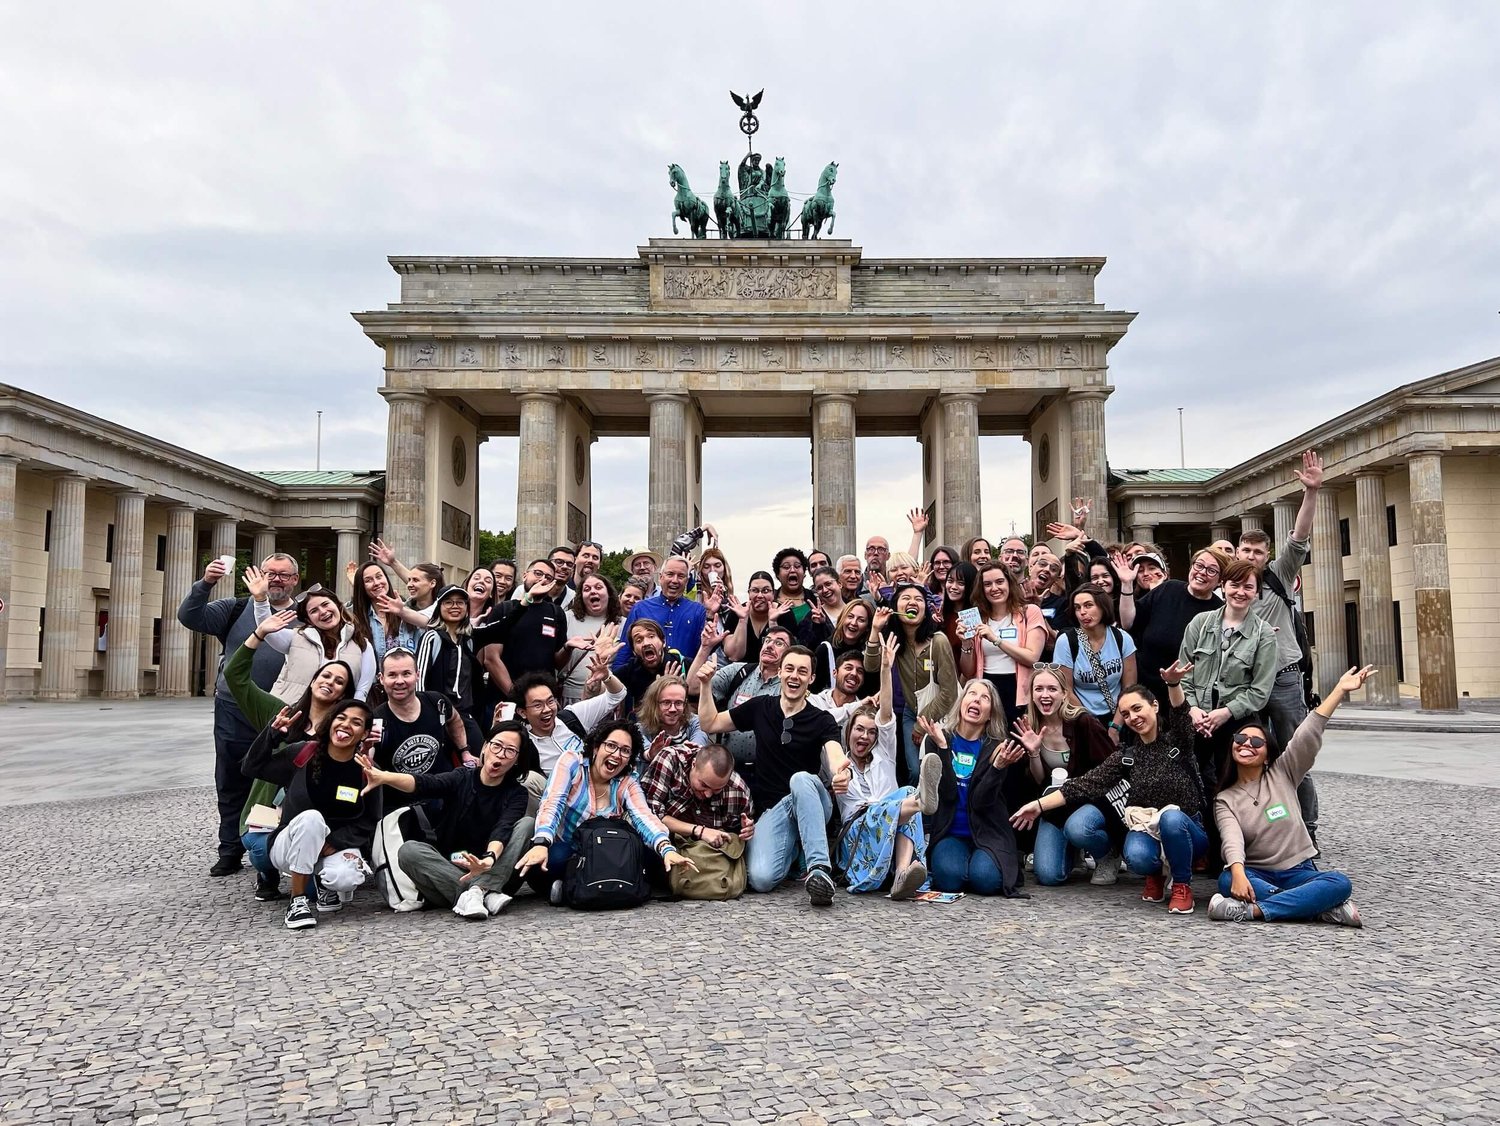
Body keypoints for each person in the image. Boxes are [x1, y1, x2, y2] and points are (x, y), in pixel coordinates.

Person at [1011, 662, 1212, 915]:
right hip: (1147, 829)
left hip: (1186, 829)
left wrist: (1173, 683)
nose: (1133, 718)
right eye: (1126, 714)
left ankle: (1182, 885)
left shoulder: (1177, 742)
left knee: (1171, 818)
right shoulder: (1126, 757)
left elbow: (1180, 714)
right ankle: (1155, 874)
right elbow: (1082, 785)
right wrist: (1037, 806)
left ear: (1154, 706)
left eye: (1137, 708)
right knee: (1135, 855)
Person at [1209, 666, 1375, 926]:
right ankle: (1318, 908)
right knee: (1227, 879)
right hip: (1258, 873)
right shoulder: (1225, 799)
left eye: (1257, 742)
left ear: (1268, 755)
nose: (1247, 744)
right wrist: (1238, 872)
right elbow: (1232, 840)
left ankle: (1254, 911)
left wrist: (1339, 690)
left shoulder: (1283, 772)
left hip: (1299, 872)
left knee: (1339, 882)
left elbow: (1306, 735)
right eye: (1241, 738)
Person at [695, 645, 851, 906]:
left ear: (812, 678)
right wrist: (705, 684)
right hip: (774, 811)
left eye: (802, 671)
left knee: (800, 779)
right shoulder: (761, 707)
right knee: (760, 879)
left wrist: (840, 773)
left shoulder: (822, 719)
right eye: (789, 669)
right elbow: (710, 723)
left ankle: (819, 870)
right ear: (779, 672)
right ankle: (794, 849)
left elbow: (835, 755)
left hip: (812, 800)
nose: (794, 676)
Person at [178, 550, 300, 876]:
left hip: (281, 714)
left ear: (294, 580)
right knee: (231, 780)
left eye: (283, 574)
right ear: (259, 575)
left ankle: (268, 849)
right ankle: (230, 849)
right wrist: (206, 582)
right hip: (234, 709)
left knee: (276, 783)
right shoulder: (234, 608)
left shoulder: (307, 615)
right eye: (270, 573)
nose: (276, 580)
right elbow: (190, 617)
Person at [225, 615, 356, 901]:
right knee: (263, 855)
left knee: (318, 892)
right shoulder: (280, 713)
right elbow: (235, 676)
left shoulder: (344, 733)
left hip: (316, 823)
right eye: (325, 676)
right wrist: (259, 634)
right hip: (268, 818)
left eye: (339, 682)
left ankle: (309, 872)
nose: (330, 683)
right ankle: (267, 872)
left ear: (343, 695)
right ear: (313, 681)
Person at [357, 719, 540, 920]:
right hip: (453, 866)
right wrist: (384, 777)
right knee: (409, 851)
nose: (500, 754)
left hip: (497, 869)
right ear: (485, 747)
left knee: (527, 824)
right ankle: (482, 894)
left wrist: (488, 859)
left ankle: (480, 890)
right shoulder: (462, 777)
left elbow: (503, 828)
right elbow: (425, 783)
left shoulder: (517, 793)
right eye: (496, 745)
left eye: (510, 751)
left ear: (517, 759)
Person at [1239, 448, 1325, 837]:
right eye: (1246, 550)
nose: (1252, 556)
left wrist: (1311, 491)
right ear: (1237, 552)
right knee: (1249, 755)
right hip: (1245, 682)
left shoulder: (1279, 573)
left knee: (1294, 753)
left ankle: (1308, 827)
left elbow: (1300, 535)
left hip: (1284, 677)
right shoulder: (1231, 587)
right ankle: (1263, 827)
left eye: (1258, 552)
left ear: (1267, 555)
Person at [516, 721, 697, 902]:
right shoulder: (572, 762)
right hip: (572, 850)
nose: (616, 755)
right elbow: (552, 803)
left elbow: (644, 816)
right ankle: (582, 885)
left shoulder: (628, 782)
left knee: (652, 857)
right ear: (596, 747)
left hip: (608, 852)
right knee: (546, 862)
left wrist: (666, 848)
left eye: (625, 751)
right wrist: (541, 842)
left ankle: (581, 887)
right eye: (611, 745)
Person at [242, 698, 379, 930]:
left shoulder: (366, 771)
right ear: (331, 722)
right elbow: (251, 767)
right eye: (341, 718)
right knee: (312, 818)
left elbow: (370, 820)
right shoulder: (303, 753)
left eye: (356, 723)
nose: (346, 725)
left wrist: (336, 841)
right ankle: (297, 902)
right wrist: (271, 735)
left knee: (346, 878)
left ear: (365, 734)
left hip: (333, 847)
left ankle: (324, 887)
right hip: (290, 845)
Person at [835, 633, 943, 899]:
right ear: (849, 731)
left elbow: (885, 713)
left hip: (892, 831)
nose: (865, 736)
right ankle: (921, 803)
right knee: (905, 801)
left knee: (906, 794)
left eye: (871, 732)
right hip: (858, 836)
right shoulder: (838, 760)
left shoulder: (884, 754)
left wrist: (886, 668)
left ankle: (902, 875)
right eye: (859, 729)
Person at [917, 679, 1027, 896]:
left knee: (985, 881)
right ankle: (964, 865)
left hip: (988, 833)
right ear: (961, 703)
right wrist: (943, 748)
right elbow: (947, 794)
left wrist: (997, 768)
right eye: (972, 694)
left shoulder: (999, 748)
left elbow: (980, 802)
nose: (976, 700)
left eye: (984, 698)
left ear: (990, 714)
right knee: (948, 879)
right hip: (950, 832)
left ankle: (979, 864)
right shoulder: (937, 739)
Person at [1008, 667, 1116, 887]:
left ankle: (1107, 854)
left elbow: (1111, 769)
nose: (1045, 695)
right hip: (1054, 806)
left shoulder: (1084, 723)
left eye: (1052, 689)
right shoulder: (1030, 726)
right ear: (1031, 694)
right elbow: (1040, 781)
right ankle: (1073, 851)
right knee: (1049, 875)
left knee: (1078, 828)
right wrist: (1034, 752)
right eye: (1039, 689)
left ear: (1064, 694)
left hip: (1091, 802)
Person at [1179, 559, 1278, 778]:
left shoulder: (1264, 634)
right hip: (1197, 718)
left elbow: (1260, 691)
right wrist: (1192, 708)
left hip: (1237, 721)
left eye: (1248, 587)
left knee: (1231, 781)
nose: (1240, 592)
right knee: (1190, 780)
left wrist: (1226, 712)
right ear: (1223, 586)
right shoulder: (1200, 623)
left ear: (1256, 592)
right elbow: (1184, 673)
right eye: (1234, 585)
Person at [637, 742, 754, 898]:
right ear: (693, 765)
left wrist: (746, 830)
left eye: (717, 789)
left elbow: (740, 832)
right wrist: (699, 831)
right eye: (703, 785)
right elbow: (649, 816)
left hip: (710, 859)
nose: (708, 794)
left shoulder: (737, 789)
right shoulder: (670, 761)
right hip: (662, 846)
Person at [871, 583, 958, 783]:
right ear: (895, 607)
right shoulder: (894, 640)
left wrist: (921, 725)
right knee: (915, 772)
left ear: (926, 610)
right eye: (906, 598)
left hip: (941, 713)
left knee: (941, 770)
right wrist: (875, 630)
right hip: (912, 712)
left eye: (919, 599)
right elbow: (871, 665)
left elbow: (949, 693)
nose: (913, 602)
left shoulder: (938, 641)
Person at [250, 571, 376, 703]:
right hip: (290, 712)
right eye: (314, 611)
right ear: (309, 620)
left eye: (325, 604)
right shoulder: (297, 638)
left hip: (337, 714)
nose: (323, 612)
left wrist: (351, 711)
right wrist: (260, 599)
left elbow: (362, 690)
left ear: (338, 605)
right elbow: (268, 629)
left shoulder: (362, 644)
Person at [1121, 547, 1225, 704]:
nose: (1202, 572)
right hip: (1145, 691)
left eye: (1211, 570)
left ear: (1221, 579)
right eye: (1199, 565)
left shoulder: (1219, 612)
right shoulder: (1168, 589)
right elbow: (1128, 623)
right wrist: (1126, 584)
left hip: (1185, 698)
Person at [696, 624, 791, 781]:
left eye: (779, 643)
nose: (769, 646)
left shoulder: (789, 688)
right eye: (767, 640)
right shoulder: (738, 672)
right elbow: (692, 689)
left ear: (790, 654)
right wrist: (704, 679)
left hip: (766, 774)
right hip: (728, 769)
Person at [513, 654, 627, 778]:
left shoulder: (572, 716)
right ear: (522, 712)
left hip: (592, 782)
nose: (547, 710)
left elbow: (617, 695)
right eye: (537, 705)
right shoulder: (522, 743)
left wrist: (607, 677)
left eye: (550, 701)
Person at [961, 563, 1046, 728]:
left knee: (1016, 740)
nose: (994, 588)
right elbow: (968, 671)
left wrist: (996, 640)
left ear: (1009, 583)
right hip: (987, 690)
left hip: (1018, 691)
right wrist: (966, 642)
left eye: (999, 582)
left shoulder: (1030, 612)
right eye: (987, 584)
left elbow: (1032, 657)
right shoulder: (978, 618)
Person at [368, 646, 469, 781]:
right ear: (381, 679)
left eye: (406, 674)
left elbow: (455, 719)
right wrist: (365, 751)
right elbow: (368, 761)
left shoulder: (437, 702)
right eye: (392, 675)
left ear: (417, 675)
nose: (400, 681)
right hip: (400, 793)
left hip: (442, 786)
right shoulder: (376, 720)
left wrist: (464, 751)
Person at [473, 559, 567, 697]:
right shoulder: (503, 609)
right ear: (525, 575)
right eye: (538, 573)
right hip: (503, 698)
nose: (542, 579)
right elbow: (491, 659)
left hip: (542, 698)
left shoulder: (557, 613)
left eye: (548, 577)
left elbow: (558, 662)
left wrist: (568, 648)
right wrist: (515, 696)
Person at [1052, 585, 1137, 732]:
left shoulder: (1122, 638)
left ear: (1103, 606)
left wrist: (1115, 727)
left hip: (1119, 714)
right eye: (1077, 608)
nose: (1082, 612)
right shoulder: (1066, 642)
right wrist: (1090, 725)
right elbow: (1066, 690)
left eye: (1088, 605)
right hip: (1082, 718)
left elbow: (1129, 687)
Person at [414, 585, 483, 750]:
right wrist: (424, 713)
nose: (455, 606)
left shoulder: (468, 640)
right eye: (448, 602)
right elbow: (419, 678)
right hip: (437, 713)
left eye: (460, 602)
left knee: (478, 752)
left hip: (464, 713)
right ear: (439, 607)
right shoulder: (431, 637)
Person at [614, 556, 706, 673]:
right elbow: (625, 651)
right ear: (661, 577)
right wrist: (616, 678)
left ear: (687, 581)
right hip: (645, 680)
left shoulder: (697, 610)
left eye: (681, 576)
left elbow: (703, 650)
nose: (675, 580)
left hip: (685, 678)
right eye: (670, 574)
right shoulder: (640, 608)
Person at [559, 573, 623, 704]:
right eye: (587, 589)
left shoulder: (623, 624)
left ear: (609, 593)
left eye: (598, 587)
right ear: (581, 596)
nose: (593, 591)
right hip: (570, 695)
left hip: (606, 697)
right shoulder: (567, 618)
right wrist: (567, 647)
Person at [350, 561, 420, 662]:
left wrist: (403, 612)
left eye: (379, 577)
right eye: (368, 580)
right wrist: (355, 586)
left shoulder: (408, 610)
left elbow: (423, 589)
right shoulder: (356, 618)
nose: (376, 583)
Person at [615, 619, 682, 714]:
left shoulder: (681, 665)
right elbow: (604, 691)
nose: (646, 643)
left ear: (663, 641)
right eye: (639, 640)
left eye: (651, 636)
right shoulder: (629, 670)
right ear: (634, 651)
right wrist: (603, 667)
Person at [636, 674, 703, 761]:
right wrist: (650, 755)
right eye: (666, 702)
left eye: (678, 703)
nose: (673, 709)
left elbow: (697, 752)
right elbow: (643, 752)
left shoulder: (696, 723)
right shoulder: (640, 730)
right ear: (654, 704)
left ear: (685, 704)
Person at [813, 599, 873, 694]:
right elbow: (813, 688)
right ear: (842, 618)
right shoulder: (825, 650)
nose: (853, 623)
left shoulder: (869, 655)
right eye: (850, 616)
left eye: (861, 620)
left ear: (868, 627)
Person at [721, 570, 777, 665]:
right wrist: (742, 620)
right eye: (755, 590)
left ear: (773, 593)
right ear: (749, 593)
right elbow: (734, 656)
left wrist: (773, 622)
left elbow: (785, 655)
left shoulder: (784, 612)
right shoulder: (737, 613)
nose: (760, 595)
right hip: (741, 670)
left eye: (766, 591)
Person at [809, 648, 873, 724]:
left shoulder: (865, 713)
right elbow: (819, 720)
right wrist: (858, 706)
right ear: (835, 673)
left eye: (860, 671)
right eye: (848, 668)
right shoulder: (813, 701)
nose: (854, 673)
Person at [546, 546, 577, 610]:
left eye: (569, 564)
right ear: (548, 564)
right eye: (559, 562)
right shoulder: (528, 593)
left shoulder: (575, 600)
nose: (565, 567)